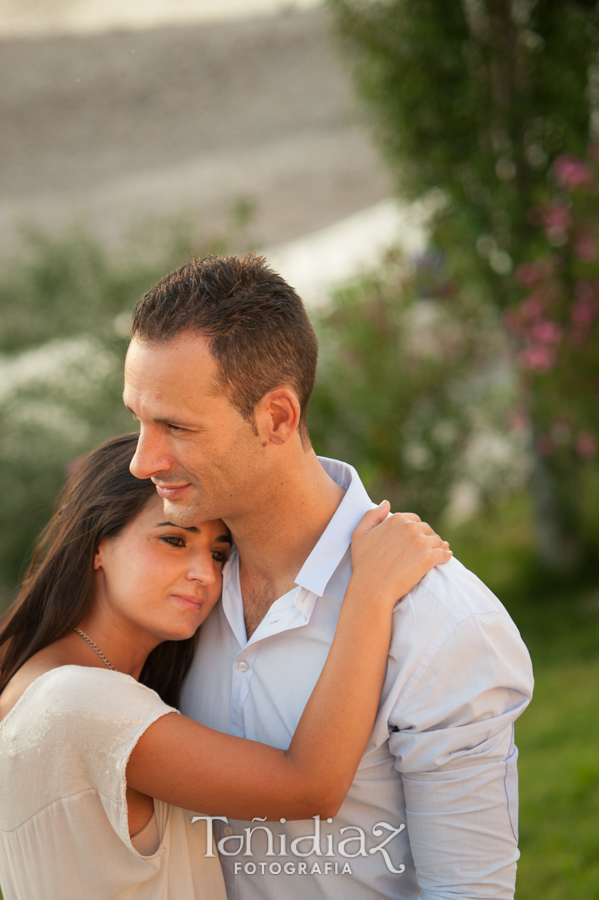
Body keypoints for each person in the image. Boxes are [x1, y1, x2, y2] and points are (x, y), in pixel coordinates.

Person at [124, 252, 535, 900]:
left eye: (175, 426)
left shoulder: (443, 627)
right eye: (138, 419)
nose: (142, 460)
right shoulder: (166, 590)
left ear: (277, 418)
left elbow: (467, 891)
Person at [0, 433, 450, 900]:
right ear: (97, 545)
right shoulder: (83, 701)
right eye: (174, 539)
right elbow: (310, 788)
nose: (205, 574)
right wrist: (370, 593)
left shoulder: (35, 681)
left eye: (218, 553)